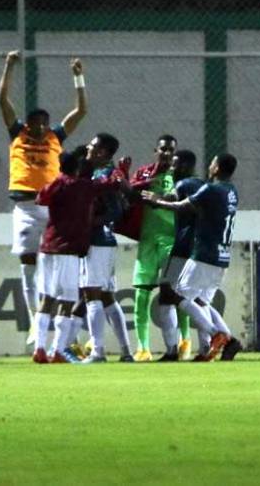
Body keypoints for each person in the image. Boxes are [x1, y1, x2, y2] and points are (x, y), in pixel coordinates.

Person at [0, 50, 86, 340]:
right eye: (34, 123)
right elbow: (2, 101)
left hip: (51, 207)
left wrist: (78, 77)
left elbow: (81, 112)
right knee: (27, 263)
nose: (38, 128)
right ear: (27, 123)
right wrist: (9, 66)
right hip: (24, 206)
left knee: (50, 263)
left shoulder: (55, 138)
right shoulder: (18, 135)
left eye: (43, 124)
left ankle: (52, 320)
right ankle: (36, 321)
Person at [142, 153, 243, 362]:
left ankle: (216, 335)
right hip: (221, 255)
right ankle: (223, 343)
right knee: (200, 300)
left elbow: (181, 206)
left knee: (175, 294)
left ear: (216, 168)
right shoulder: (231, 190)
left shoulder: (209, 189)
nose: (210, 165)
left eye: (213, 162)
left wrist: (156, 200)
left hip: (204, 253)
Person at [32, 146, 126, 364]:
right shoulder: (83, 186)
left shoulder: (57, 183)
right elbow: (110, 184)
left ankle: (39, 348)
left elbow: (40, 198)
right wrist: (120, 170)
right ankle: (57, 351)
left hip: (47, 247)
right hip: (68, 249)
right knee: (66, 300)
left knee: (46, 299)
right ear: (77, 168)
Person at [74, 133, 135, 363]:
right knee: (108, 297)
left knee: (92, 294)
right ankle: (126, 351)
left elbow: (116, 209)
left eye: (92, 146)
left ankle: (98, 351)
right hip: (105, 241)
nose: (88, 149)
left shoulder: (105, 175)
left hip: (97, 240)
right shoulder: (108, 173)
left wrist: (90, 223)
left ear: (101, 152)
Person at [118, 134, 178, 361]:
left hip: (170, 240)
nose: (166, 153)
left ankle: (183, 342)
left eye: (171, 150)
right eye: (163, 149)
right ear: (156, 150)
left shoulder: (178, 176)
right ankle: (143, 348)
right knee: (141, 294)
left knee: (174, 295)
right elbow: (130, 196)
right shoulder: (144, 173)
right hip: (147, 240)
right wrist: (125, 175)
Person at [155, 150, 205, 361]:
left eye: (175, 165)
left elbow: (171, 198)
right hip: (200, 248)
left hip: (184, 247)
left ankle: (172, 350)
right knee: (199, 298)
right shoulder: (203, 185)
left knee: (166, 294)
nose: (172, 169)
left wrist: (153, 199)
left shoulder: (183, 184)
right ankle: (206, 347)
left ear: (184, 166)